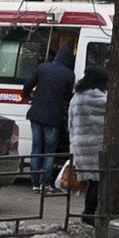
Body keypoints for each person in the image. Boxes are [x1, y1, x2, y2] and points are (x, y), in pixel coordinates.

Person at [22, 45, 76, 192]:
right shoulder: (69, 74)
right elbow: (67, 97)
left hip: (36, 115)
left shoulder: (42, 68)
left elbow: (27, 85)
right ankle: (45, 184)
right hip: (53, 118)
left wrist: (27, 96)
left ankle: (34, 184)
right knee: (49, 152)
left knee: (36, 149)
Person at [68, 66, 107, 224]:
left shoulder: (76, 97)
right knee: (97, 181)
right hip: (95, 145)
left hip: (80, 145)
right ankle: (89, 214)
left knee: (93, 181)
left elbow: (70, 124)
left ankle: (89, 213)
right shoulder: (99, 99)